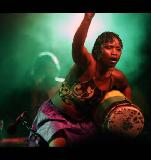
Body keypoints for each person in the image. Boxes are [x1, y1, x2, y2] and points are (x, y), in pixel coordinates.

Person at [28, 13, 133, 147]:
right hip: (56, 115)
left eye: (118, 49)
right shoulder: (88, 63)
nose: (114, 52)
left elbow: (126, 87)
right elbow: (77, 46)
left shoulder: (117, 77)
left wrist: (128, 108)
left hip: (84, 123)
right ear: (98, 50)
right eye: (109, 47)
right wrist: (87, 18)